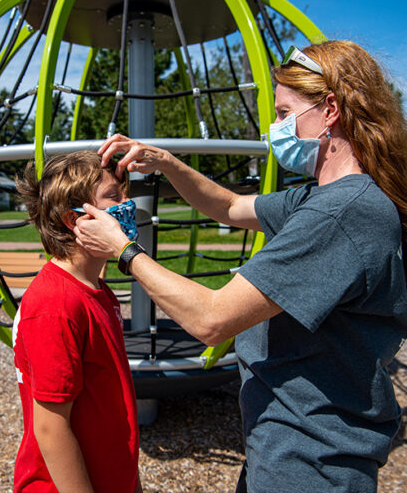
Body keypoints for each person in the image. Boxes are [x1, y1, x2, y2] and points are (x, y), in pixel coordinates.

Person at [73, 40, 407, 492]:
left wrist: (126, 251)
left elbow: (212, 320)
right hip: (289, 445)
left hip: (310, 461)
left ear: (330, 110)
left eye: (285, 114)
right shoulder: (321, 197)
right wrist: (167, 163)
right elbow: (230, 206)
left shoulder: (341, 213)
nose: (275, 129)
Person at [12, 150, 143, 493]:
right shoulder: (55, 304)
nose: (128, 204)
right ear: (76, 220)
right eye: (115, 197)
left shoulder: (98, 289)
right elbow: (51, 428)